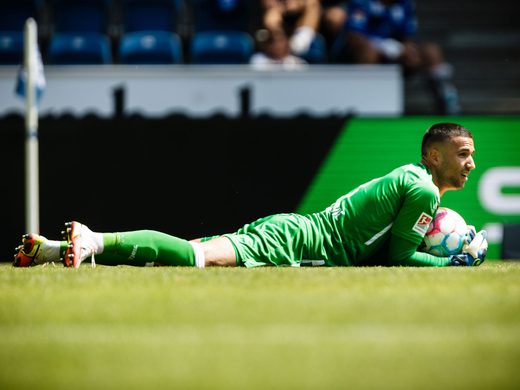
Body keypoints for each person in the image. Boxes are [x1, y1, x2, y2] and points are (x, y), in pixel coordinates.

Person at [14, 123, 487, 269]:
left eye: (471, 155)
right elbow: (401, 255)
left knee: (196, 254)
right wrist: (455, 261)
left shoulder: (416, 183)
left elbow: (392, 246)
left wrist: (452, 238)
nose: (470, 163)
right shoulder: (423, 190)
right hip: (301, 243)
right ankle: (94, 239)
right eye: (462, 154)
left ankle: (54, 251)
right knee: (194, 257)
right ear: (433, 154)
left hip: (299, 234)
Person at [331, 0, 461, 116]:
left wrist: (407, 51)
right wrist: (385, 48)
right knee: (369, 53)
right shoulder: (361, 3)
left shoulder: (405, 4)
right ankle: (366, 105)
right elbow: (354, 38)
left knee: (431, 51)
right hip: (359, 58)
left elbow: (408, 37)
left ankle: (448, 103)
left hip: (395, 59)